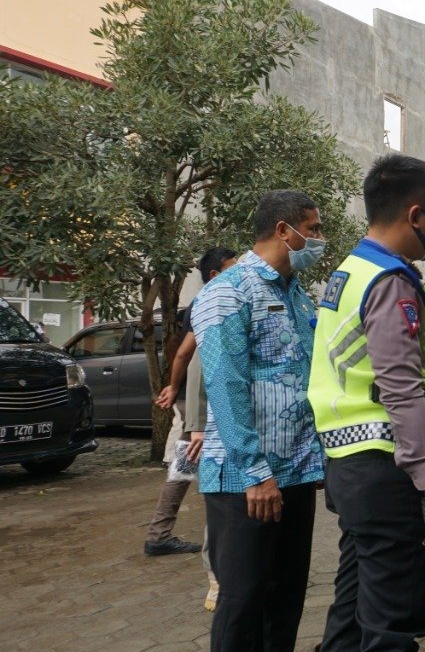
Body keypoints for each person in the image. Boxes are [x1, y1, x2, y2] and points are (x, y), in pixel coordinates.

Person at [309, 155, 425, 652]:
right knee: (391, 628)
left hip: (349, 465)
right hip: (390, 471)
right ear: (416, 215)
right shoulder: (391, 281)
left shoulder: (349, 271)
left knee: (353, 614)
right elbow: (401, 389)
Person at [192, 190, 326, 652]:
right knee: (243, 600)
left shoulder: (300, 298)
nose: (319, 239)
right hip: (243, 479)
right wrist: (255, 472)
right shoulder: (226, 292)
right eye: (313, 229)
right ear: (283, 231)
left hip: (295, 471)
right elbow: (226, 388)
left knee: (286, 595)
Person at [151, 246, 237, 612]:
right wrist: (178, 393)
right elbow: (188, 354)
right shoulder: (210, 303)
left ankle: (160, 532)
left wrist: (174, 388)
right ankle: (162, 535)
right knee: (190, 470)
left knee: (186, 469)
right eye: (233, 267)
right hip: (198, 407)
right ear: (216, 274)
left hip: (195, 403)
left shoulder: (215, 300)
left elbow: (184, 354)